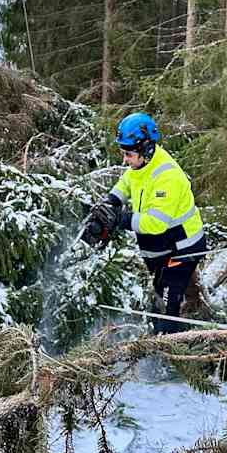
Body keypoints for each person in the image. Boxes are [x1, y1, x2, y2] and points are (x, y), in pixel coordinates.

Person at [88, 112, 207, 333]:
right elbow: (126, 181)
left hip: (181, 249)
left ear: (147, 149)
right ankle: (193, 308)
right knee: (159, 295)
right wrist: (111, 200)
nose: (125, 159)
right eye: (123, 153)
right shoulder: (140, 165)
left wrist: (120, 219)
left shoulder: (167, 177)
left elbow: (155, 223)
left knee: (168, 308)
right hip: (164, 248)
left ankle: (171, 351)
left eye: (128, 154)